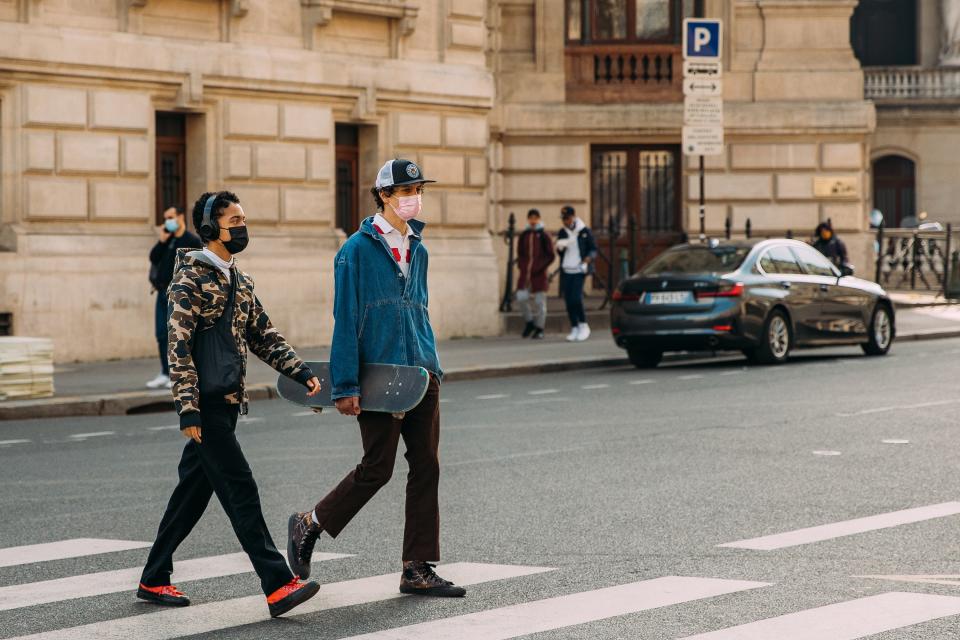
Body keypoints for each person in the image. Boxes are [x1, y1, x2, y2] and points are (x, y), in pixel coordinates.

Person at [286, 159, 466, 598]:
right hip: (381, 376)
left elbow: (417, 308)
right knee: (377, 469)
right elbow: (345, 319)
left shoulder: (418, 246)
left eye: (418, 189)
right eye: (406, 191)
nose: (414, 197)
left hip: (421, 372)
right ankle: (310, 523)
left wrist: (432, 364)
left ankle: (417, 567)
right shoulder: (355, 251)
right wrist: (345, 385)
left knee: (427, 465)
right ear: (384, 195)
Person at [138, 191, 323, 618]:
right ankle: (277, 583)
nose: (242, 226)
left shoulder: (238, 278)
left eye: (243, 218)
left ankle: (154, 577)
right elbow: (178, 346)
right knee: (240, 488)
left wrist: (299, 370)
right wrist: (187, 408)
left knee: (192, 492)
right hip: (204, 405)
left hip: (226, 402)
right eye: (233, 220)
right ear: (209, 229)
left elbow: (263, 334)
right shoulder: (189, 279)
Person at [146, 206, 201, 389]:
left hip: (179, 294)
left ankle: (180, 374)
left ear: (180, 217)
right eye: (165, 218)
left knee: (177, 335)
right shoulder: (167, 239)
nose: (167, 221)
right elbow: (153, 258)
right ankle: (165, 372)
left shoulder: (191, 241)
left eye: (170, 217)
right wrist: (161, 241)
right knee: (161, 334)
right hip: (161, 292)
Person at [556, 205, 597, 342]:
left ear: (573, 217)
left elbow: (593, 249)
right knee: (568, 299)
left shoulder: (584, 231)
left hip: (579, 269)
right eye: (563, 219)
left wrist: (588, 258)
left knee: (576, 298)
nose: (565, 222)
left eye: (567, 218)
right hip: (567, 268)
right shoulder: (562, 232)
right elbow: (560, 251)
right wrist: (560, 247)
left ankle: (584, 324)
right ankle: (574, 326)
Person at [516, 209, 554, 339]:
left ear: (539, 219)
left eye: (535, 218)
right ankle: (529, 322)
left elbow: (550, 255)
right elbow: (520, 253)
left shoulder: (544, 235)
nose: (533, 221)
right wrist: (522, 266)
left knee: (540, 302)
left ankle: (540, 328)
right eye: (530, 218)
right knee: (521, 297)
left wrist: (540, 267)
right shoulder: (524, 235)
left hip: (539, 274)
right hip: (525, 273)